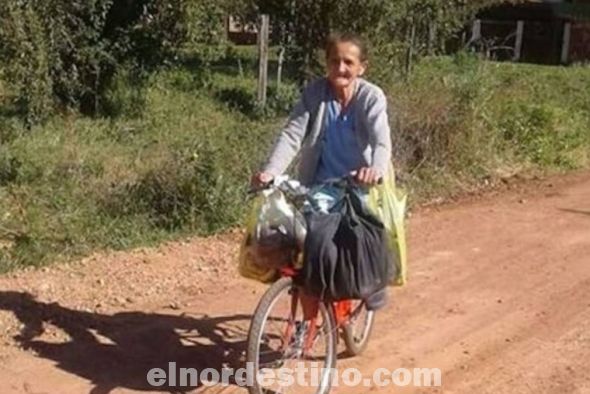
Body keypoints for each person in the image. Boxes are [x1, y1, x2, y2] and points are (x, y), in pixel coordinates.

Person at [251, 32, 392, 310]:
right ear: (326, 63)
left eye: (348, 62)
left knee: (356, 250)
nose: (340, 68)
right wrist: (270, 172)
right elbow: (292, 135)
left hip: (357, 186)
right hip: (317, 186)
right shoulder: (314, 94)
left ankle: (366, 290)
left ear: (361, 67)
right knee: (299, 249)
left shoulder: (371, 97)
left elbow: (381, 140)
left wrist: (375, 169)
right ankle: (307, 324)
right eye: (334, 61)